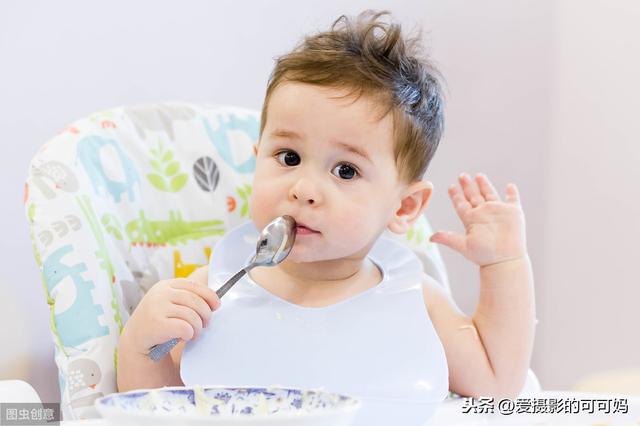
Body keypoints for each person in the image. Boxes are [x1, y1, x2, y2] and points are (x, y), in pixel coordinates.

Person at [116, 10, 535, 404]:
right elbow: (157, 408)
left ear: (405, 206)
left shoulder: (412, 299)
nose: (305, 189)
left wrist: (504, 265)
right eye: (289, 157)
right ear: (258, 156)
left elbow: (496, 385)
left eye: (346, 171)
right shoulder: (215, 292)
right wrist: (140, 345)